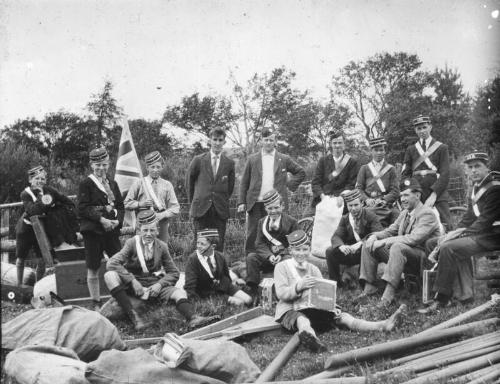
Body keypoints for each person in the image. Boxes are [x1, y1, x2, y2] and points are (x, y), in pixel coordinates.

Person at [274, 229, 407, 352]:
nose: (301, 253)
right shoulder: (282, 267)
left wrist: (332, 306)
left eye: (305, 249)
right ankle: (311, 339)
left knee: (343, 317)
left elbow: (323, 292)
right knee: (302, 321)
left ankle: (382, 325)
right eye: (297, 250)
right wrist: (298, 287)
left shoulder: (313, 269)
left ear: (309, 249)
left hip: (312, 309)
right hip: (290, 309)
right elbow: (281, 293)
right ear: (291, 250)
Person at [104, 210, 219, 330]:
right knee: (110, 275)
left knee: (178, 293)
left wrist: (159, 285)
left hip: (154, 284)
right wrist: (132, 280)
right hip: (134, 286)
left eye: (152, 230)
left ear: (157, 230)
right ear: (139, 230)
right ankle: (136, 319)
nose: (148, 234)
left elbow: (174, 272)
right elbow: (112, 263)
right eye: (145, 230)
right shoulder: (131, 243)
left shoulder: (162, 246)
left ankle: (193, 318)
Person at [418, 152, 500, 314]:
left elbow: (484, 221)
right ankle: (460, 293)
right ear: (466, 171)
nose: (474, 170)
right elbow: (469, 217)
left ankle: (442, 298)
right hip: (480, 233)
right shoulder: (476, 187)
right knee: (432, 243)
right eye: (470, 167)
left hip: (493, 236)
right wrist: (453, 232)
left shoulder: (495, 188)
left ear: (487, 168)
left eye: (478, 166)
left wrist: (458, 235)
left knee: (449, 247)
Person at [358, 178, 441, 307]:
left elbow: (414, 239)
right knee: (369, 244)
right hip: (405, 255)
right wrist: (374, 236)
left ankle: (387, 296)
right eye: (401, 196)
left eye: (406, 195)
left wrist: (385, 241)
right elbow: (390, 231)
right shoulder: (404, 213)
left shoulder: (427, 213)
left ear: (418, 195)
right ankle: (369, 288)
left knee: (397, 246)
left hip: (424, 260)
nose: (402, 199)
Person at [237, 126, 305, 254]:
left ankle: (276, 261)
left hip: (275, 205)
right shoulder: (252, 159)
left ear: (275, 142)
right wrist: (241, 202)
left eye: (271, 140)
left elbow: (300, 172)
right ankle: (251, 262)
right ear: (261, 141)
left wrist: (289, 185)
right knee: (253, 233)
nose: (268, 143)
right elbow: (244, 182)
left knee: (277, 233)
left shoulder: (284, 159)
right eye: (266, 140)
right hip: (256, 202)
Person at [15, 165, 79, 285]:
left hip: (41, 229)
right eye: (37, 179)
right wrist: (45, 200)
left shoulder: (50, 190)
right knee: (20, 258)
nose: (40, 181)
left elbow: (67, 201)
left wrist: (57, 208)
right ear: (30, 180)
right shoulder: (25, 194)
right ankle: (19, 284)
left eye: (42, 179)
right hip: (26, 229)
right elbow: (33, 211)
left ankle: (37, 286)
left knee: (42, 259)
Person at [78, 147, 124, 310]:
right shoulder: (86, 184)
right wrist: (101, 219)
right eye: (97, 165)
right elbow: (83, 208)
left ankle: (121, 299)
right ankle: (96, 303)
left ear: (108, 163)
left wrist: (118, 221)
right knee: (93, 267)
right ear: (91, 165)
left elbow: (120, 206)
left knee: (119, 264)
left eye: (104, 164)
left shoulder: (113, 183)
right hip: (93, 232)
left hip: (111, 232)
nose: (101, 168)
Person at [186, 127, 235, 252]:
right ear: (210, 141)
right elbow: (189, 183)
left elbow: (230, 188)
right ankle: (200, 269)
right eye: (215, 140)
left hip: (219, 209)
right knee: (200, 243)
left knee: (217, 244)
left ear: (224, 142)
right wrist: (195, 201)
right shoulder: (198, 160)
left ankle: (216, 269)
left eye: (220, 140)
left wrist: (218, 200)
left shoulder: (229, 163)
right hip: (201, 208)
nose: (217, 143)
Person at [245, 189, 299, 298]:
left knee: (288, 260)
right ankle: (253, 289)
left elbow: (295, 245)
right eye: (270, 208)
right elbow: (259, 243)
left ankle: (283, 289)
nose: (273, 211)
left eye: (276, 207)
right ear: (265, 209)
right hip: (267, 258)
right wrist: (269, 256)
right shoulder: (262, 222)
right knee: (251, 257)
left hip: (283, 257)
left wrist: (281, 254)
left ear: (282, 206)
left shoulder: (291, 222)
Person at [402, 115, 451, 231]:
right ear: (415, 130)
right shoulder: (411, 149)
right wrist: (411, 192)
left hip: (437, 193)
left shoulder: (442, 148)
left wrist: (434, 195)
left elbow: (445, 174)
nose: (422, 131)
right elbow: (405, 175)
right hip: (417, 194)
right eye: (419, 129)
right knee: (413, 226)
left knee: (446, 225)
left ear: (430, 127)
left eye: (424, 127)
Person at [325, 189, 383, 286]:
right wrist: (341, 246)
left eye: (356, 205)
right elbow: (336, 236)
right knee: (330, 251)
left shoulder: (370, 216)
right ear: (347, 206)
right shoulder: (345, 218)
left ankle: (364, 283)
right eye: (350, 206)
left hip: (368, 251)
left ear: (362, 203)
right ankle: (336, 283)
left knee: (366, 250)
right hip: (353, 252)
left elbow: (378, 234)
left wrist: (360, 244)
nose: (353, 208)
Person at [184, 228, 252, 306]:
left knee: (248, 300)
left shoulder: (220, 256)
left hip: (222, 287)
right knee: (240, 303)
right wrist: (195, 301)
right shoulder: (193, 259)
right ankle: (226, 300)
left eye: (202, 244)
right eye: (198, 243)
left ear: (213, 246)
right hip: (207, 293)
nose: (198, 246)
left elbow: (226, 276)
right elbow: (189, 285)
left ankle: (228, 297)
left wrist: (226, 287)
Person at [124, 150, 180, 242]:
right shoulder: (139, 183)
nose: (155, 170)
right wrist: (140, 204)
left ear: (162, 167)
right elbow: (126, 203)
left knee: (161, 250)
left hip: (161, 223)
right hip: (143, 222)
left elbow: (176, 208)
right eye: (152, 167)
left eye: (158, 167)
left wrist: (162, 215)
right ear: (147, 167)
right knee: (143, 250)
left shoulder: (167, 185)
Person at [355, 137, 399, 227]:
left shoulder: (391, 169)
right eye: (376, 150)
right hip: (369, 204)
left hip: (386, 204)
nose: (379, 153)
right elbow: (358, 189)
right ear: (371, 151)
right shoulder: (364, 168)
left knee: (398, 217)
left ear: (384, 151)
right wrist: (366, 200)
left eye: (381, 150)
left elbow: (395, 191)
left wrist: (384, 200)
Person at [311, 130, 359, 210]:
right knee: (308, 217)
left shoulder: (351, 162)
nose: (337, 146)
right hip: (323, 199)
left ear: (344, 144)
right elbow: (316, 183)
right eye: (334, 143)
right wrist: (322, 196)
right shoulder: (323, 161)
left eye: (340, 143)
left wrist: (342, 196)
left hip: (342, 200)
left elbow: (351, 184)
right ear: (331, 144)